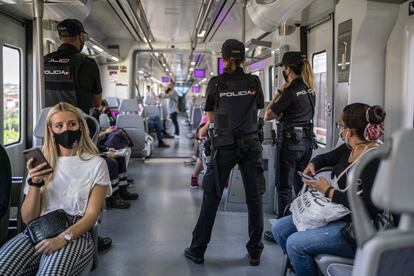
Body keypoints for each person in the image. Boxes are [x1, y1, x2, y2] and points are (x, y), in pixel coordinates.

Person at [271, 103, 386, 276]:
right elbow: (325, 158)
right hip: (335, 212)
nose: (340, 129)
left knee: (295, 244)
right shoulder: (350, 148)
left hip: (354, 228)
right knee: (279, 228)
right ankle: (302, 266)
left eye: (341, 125)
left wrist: (329, 191)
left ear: (350, 130)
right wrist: (313, 164)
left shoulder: (373, 160)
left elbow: (369, 209)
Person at [0, 102, 112, 275]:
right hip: (37, 230)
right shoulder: (40, 162)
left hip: (75, 234)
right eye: (59, 126)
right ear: (51, 130)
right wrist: (35, 183)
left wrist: (63, 238)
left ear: (80, 127)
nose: (66, 130)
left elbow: (91, 215)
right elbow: (28, 218)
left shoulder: (96, 164)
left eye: (72, 124)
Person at [185, 39, 265, 266]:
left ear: (224, 59)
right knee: (254, 199)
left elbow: (210, 117)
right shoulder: (254, 81)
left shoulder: (217, 83)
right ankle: (255, 251)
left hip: (224, 145)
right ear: (244, 59)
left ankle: (197, 250)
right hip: (251, 145)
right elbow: (257, 109)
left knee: (211, 197)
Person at [264, 51, 316, 219]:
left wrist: (279, 93)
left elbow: (268, 114)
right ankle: (302, 221)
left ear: (288, 69)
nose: (282, 71)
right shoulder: (309, 88)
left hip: (290, 144)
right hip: (306, 143)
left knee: (284, 187)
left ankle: (282, 227)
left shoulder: (291, 90)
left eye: (283, 68)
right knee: (301, 185)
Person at [44, 19, 102, 115]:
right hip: (79, 124)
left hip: (50, 124)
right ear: (81, 36)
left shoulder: (44, 61)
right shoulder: (88, 63)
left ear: (60, 37)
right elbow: (97, 103)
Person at [190, 114, 209, 188]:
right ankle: (194, 176)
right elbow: (199, 133)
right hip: (205, 142)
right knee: (201, 159)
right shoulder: (206, 117)